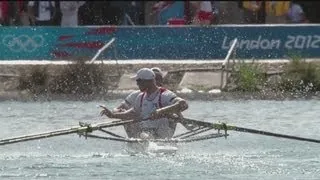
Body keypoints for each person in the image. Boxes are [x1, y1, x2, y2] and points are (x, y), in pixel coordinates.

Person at [100, 68, 188, 139]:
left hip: (163, 134)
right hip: (146, 133)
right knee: (142, 131)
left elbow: (183, 104)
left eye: (138, 81)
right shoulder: (140, 97)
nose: (137, 84)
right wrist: (113, 115)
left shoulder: (165, 94)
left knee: (146, 134)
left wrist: (161, 111)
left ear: (147, 81)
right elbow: (132, 114)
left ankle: (145, 139)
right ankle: (144, 139)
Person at [113, 67, 169, 138]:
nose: (156, 81)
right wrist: (117, 113)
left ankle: (151, 137)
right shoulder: (137, 95)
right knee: (130, 113)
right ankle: (139, 137)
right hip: (141, 128)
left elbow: (179, 107)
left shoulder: (165, 95)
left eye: (158, 79)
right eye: (155, 78)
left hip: (161, 129)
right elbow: (117, 109)